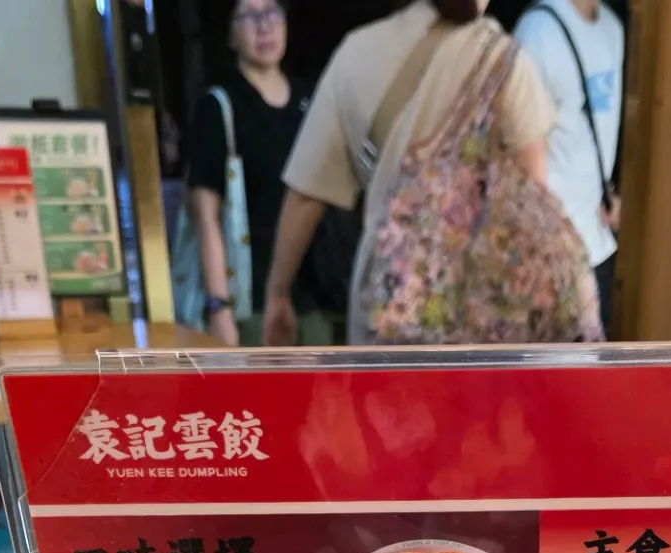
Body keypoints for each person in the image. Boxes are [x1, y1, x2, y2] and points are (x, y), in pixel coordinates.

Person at [261, 0, 554, 346]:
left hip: (384, 301)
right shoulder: (505, 62)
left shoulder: (357, 52)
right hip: (478, 311)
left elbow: (305, 195)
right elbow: (536, 206)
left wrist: (278, 293)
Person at [186, 0, 332, 345]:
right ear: (231, 35)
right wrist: (218, 307)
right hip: (249, 302)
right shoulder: (219, 107)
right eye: (250, 16)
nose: (264, 26)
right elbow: (205, 216)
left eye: (272, 13)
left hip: (314, 297)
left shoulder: (311, 100)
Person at [514, 0, 624, 334]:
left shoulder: (613, 29)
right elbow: (516, 143)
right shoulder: (537, 32)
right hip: (550, 255)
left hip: (597, 244)